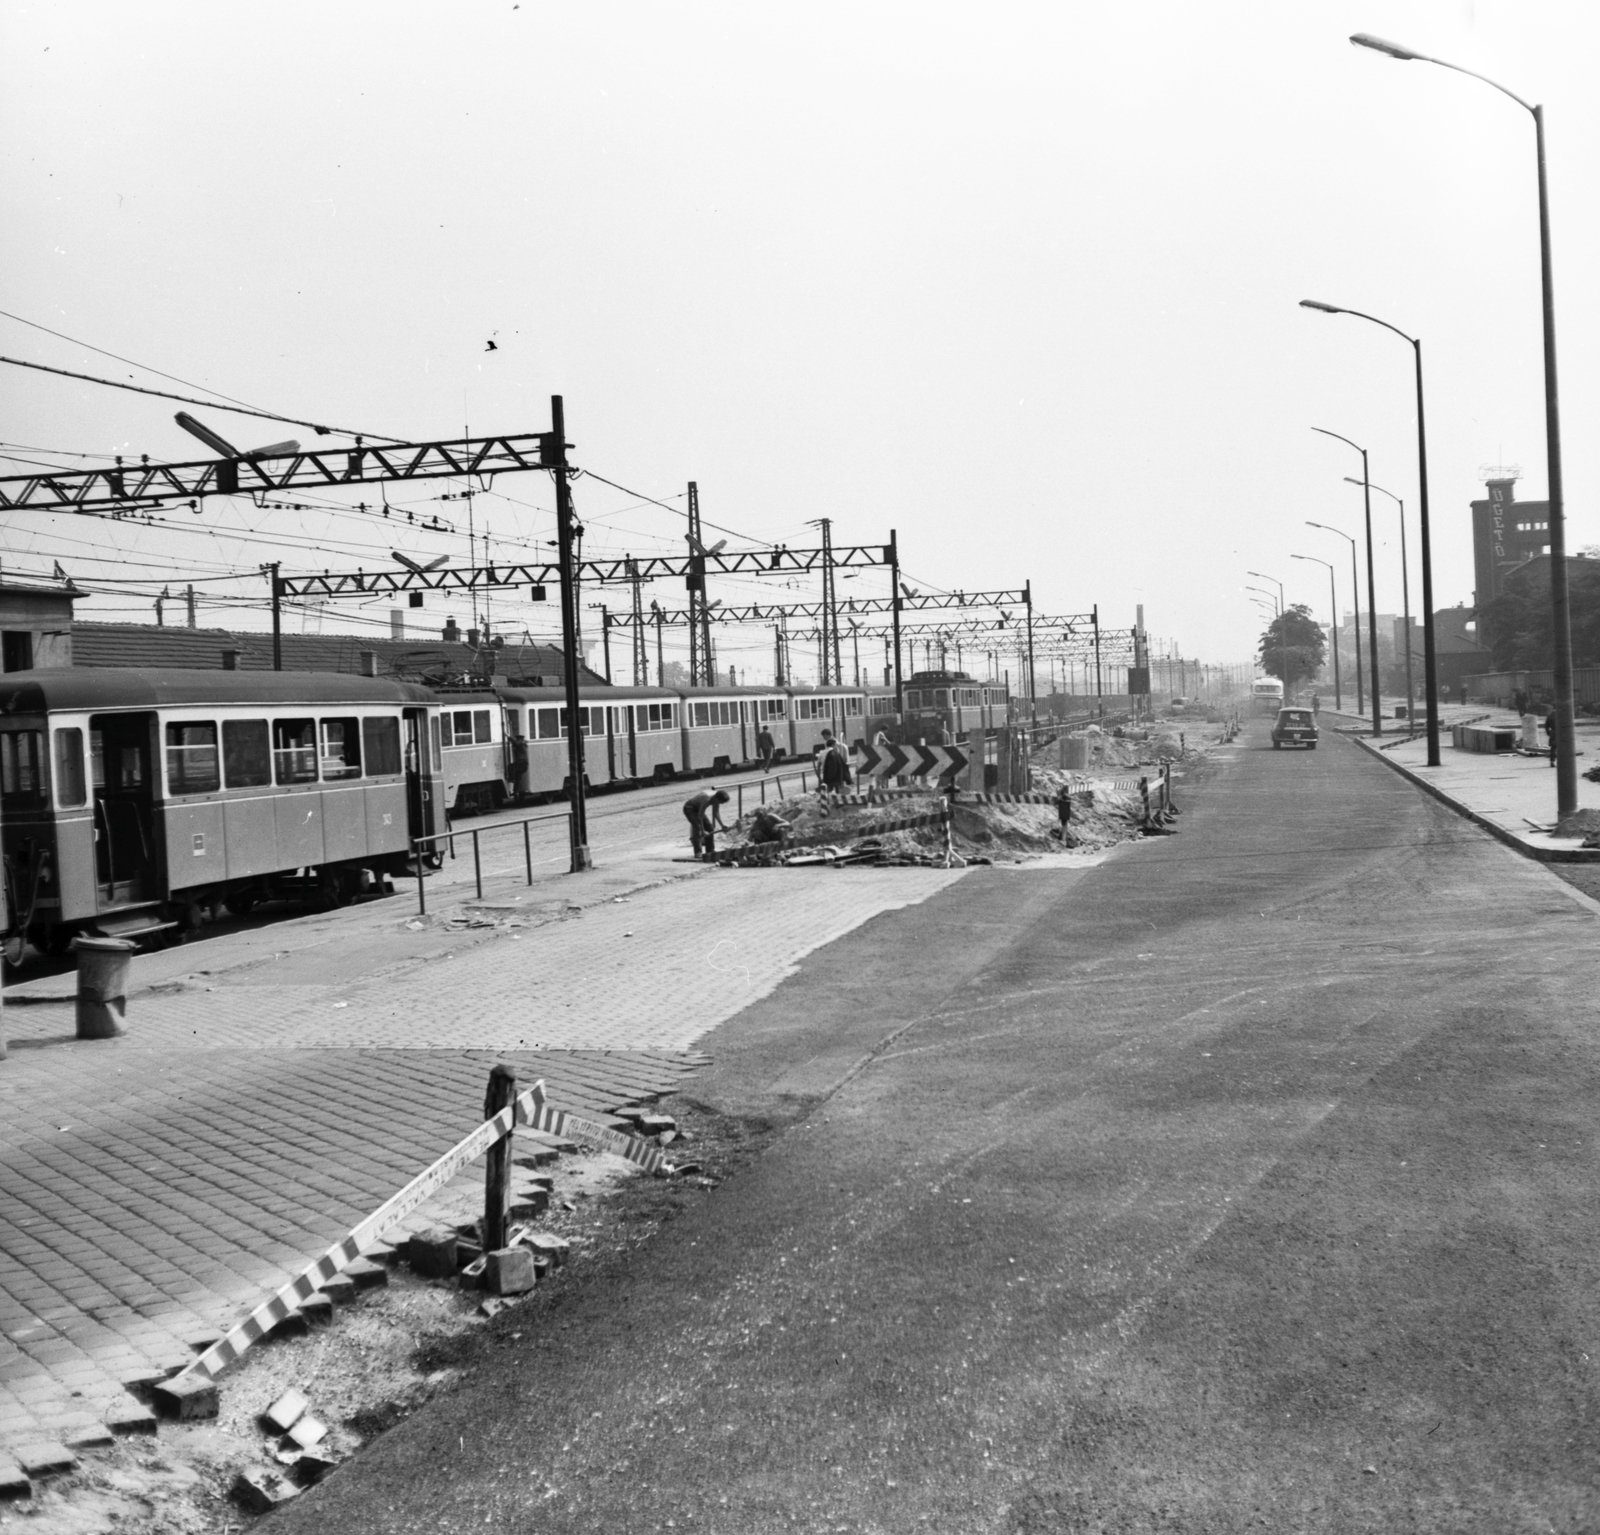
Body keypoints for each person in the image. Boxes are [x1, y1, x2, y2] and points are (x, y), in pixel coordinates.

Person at [683, 787, 730, 860]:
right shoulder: (707, 799)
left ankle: (710, 851)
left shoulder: (716, 798)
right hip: (689, 808)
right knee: (697, 828)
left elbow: (716, 813)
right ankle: (698, 852)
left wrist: (722, 825)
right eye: (721, 802)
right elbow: (700, 817)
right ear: (717, 799)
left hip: (698, 809)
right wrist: (702, 831)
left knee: (710, 828)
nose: (721, 804)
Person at [816, 728, 851, 807]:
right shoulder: (829, 742)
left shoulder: (834, 742)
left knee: (833, 784)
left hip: (834, 765)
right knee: (834, 785)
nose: (823, 738)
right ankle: (835, 800)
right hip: (834, 765)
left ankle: (829, 800)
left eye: (824, 736)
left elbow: (836, 751)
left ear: (827, 734)